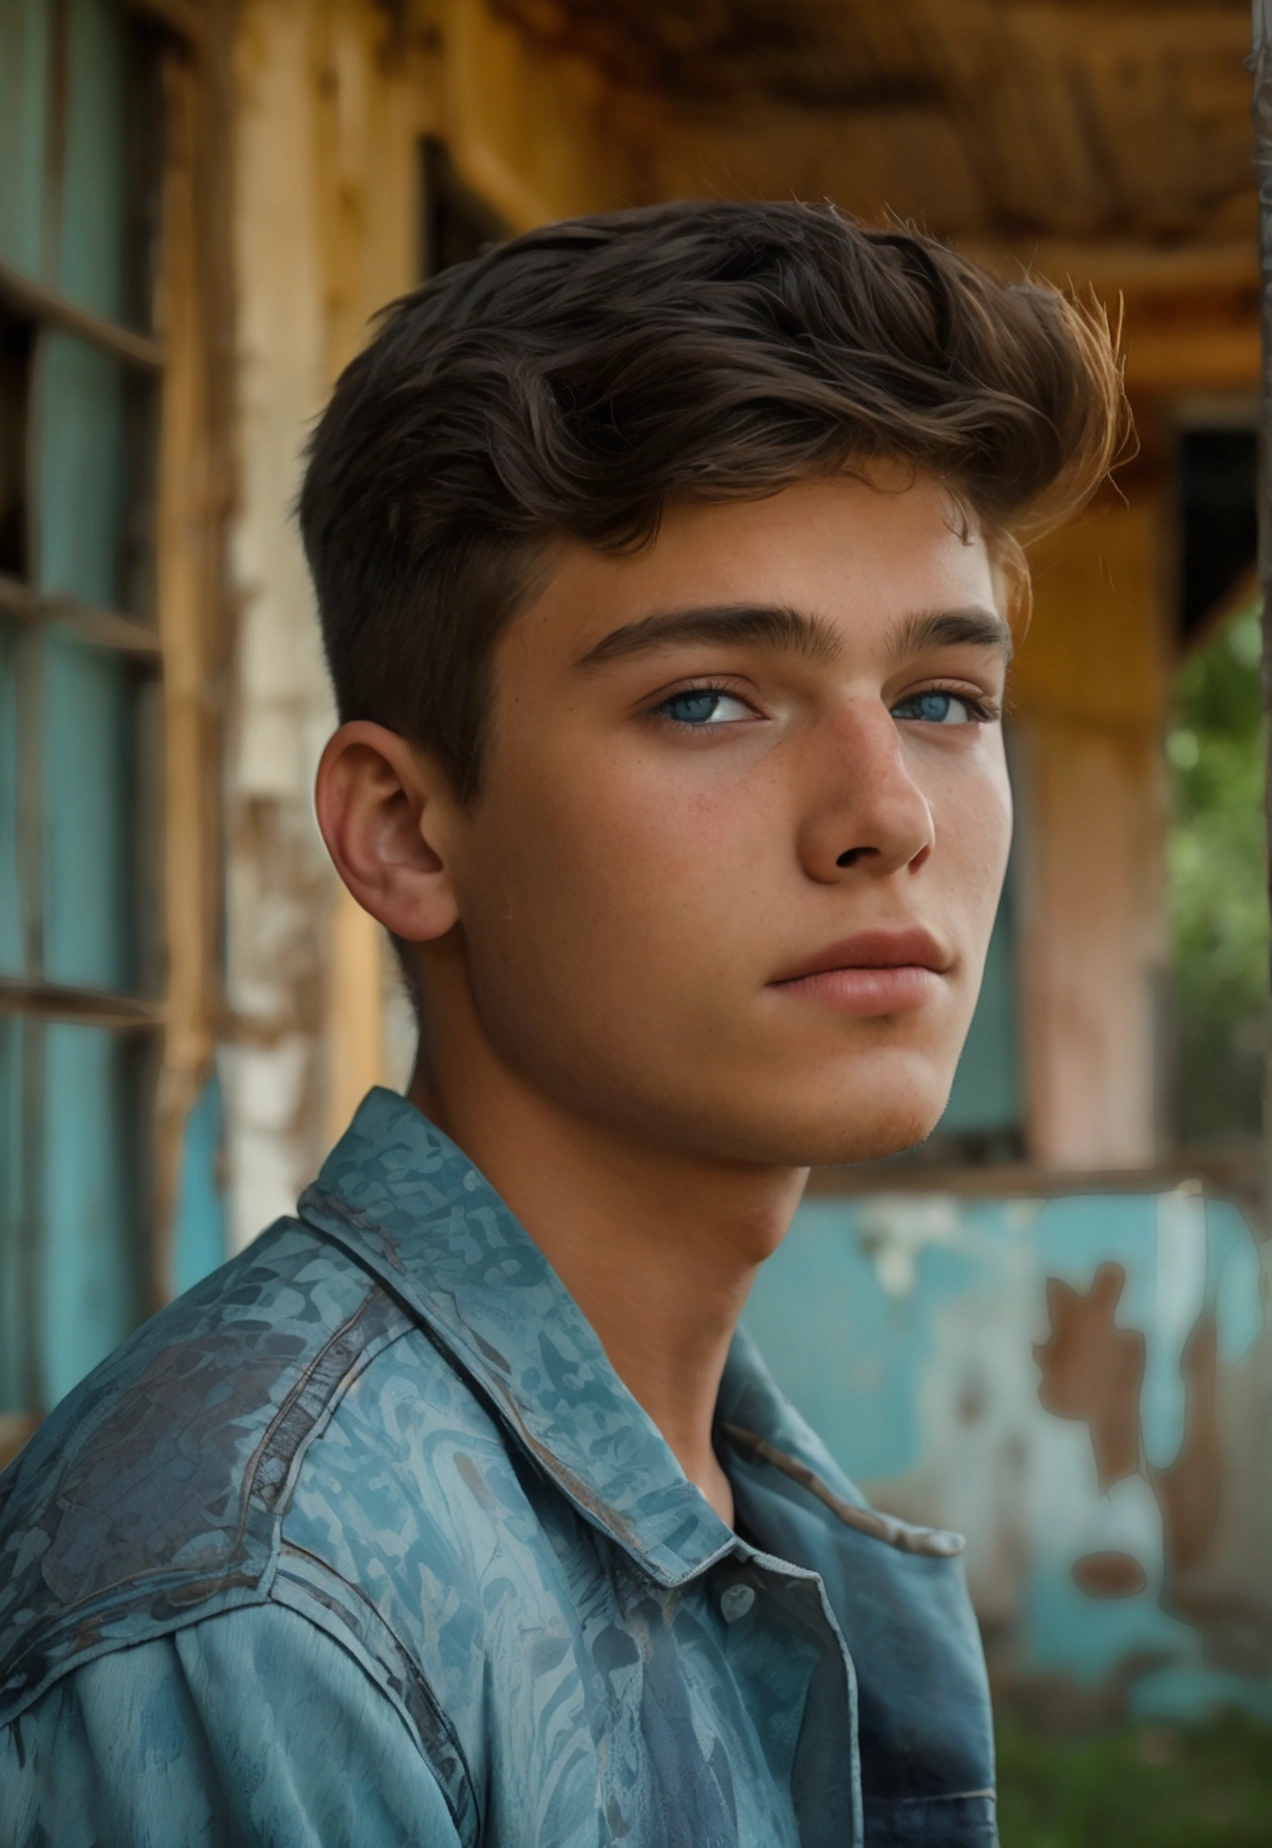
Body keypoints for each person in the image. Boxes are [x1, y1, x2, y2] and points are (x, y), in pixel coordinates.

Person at [0, 200, 1122, 1847]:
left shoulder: (730, 1484)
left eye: (943, 700)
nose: (888, 816)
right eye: (708, 699)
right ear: (405, 829)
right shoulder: (262, 1615)